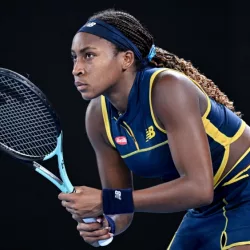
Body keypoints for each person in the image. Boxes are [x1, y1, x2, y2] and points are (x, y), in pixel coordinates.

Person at [58, 8, 250, 249]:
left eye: (89, 55)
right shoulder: (98, 118)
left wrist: (108, 200)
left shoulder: (168, 88)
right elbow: (121, 208)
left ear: (126, 59)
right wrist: (108, 223)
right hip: (204, 211)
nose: (77, 68)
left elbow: (199, 188)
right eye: (74, 57)